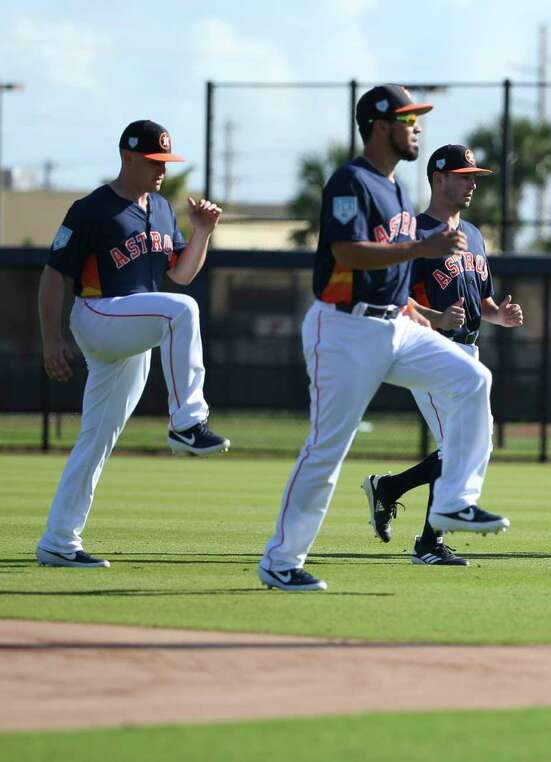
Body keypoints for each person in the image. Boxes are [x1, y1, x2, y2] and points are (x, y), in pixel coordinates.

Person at [258, 86, 508, 592]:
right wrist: (421, 246)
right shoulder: (352, 181)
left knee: (472, 379)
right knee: (327, 449)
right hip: (344, 327)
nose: (416, 128)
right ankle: (281, 560)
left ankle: (454, 501)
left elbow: (395, 281)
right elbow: (347, 254)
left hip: (396, 323)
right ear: (379, 125)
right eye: (408, 119)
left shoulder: (395, 189)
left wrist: (422, 313)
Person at [36, 119, 228, 568]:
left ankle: (58, 541)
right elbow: (53, 275)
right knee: (182, 310)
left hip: (135, 328)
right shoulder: (92, 209)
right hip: (98, 315)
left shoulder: (161, 208)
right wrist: (50, 341)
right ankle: (187, 423)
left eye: (165, 161)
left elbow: (179, 274)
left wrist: (201, 232)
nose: (161, 169)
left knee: (96, 440)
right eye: (152, 160)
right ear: (127, 157)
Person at [361, 144, 523, 566]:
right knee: (460, 444)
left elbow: (481, 302)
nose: (472, 183)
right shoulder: (412, 232)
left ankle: (389, 489)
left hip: (467, 351)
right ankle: (429, 543)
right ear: (438, 178)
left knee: (474, 443)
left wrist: (499, 316)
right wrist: (437, 318)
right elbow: (397, 301)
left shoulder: (472, 234)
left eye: (474, 176)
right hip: (427, 350)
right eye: (463, 175)